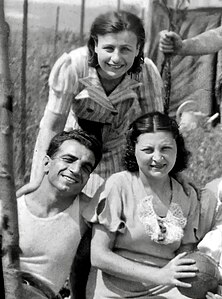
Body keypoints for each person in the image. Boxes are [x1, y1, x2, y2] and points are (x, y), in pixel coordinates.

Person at [17, 10, 163, 199]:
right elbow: (53, 126)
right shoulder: (74, 65)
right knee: (61, 203)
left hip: (114, 149)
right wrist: (38, 179)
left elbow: (157, 128)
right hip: (72, 148)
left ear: (138, 49)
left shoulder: (145, 71)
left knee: (110, 207)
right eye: (109, 48)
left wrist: (172, 174)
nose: (116, 58)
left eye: (125, 49)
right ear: (95, 45)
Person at [83, 111, 200, 299]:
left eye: (166, 149)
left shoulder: (187, 194)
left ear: (177, 148)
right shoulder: (118, 185)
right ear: (133, 149)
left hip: (168, 291)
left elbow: (185, 258)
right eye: (148, 150)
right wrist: (158, 275)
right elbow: (98, 255)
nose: (158, 158)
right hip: (115, 292)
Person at [11, 130, 102, 298]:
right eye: (68, 160)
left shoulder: (87, 212)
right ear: (46, 163)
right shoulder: (13, 204)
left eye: (85, 167)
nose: (75, 170)